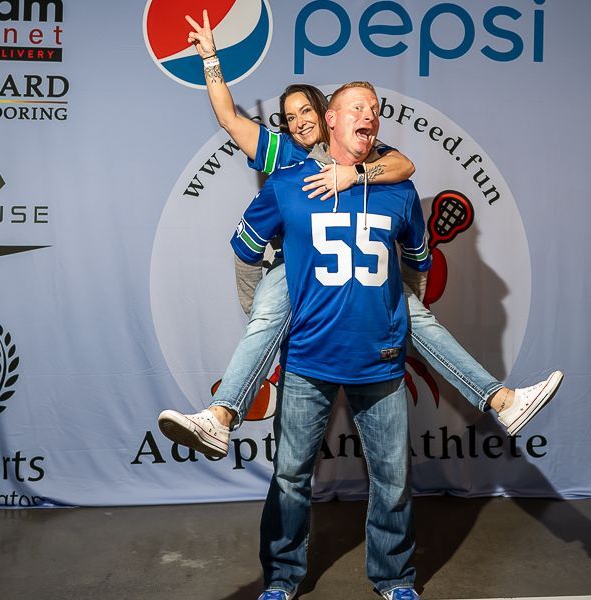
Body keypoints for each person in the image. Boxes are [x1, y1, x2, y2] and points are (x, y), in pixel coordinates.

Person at [157, 10, 563, 459]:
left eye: (305, 111)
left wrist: (353, 176)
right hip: (299, 265)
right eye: (289, 117)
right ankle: (220, 416)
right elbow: (230, 119)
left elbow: (405, 166)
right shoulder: (285, 154)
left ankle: (501, 401)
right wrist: (211, 59)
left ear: (325, 114)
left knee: (416, 318)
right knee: (267, 317)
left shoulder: (364, 149)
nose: (298, 122)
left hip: (358, 266)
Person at [238, 80, 426, 600]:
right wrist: (261, 317)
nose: (371, 115)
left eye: (377, 109)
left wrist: (398, 318)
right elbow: (245, 248)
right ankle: (280, 579)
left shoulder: (398, 188)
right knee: (290, 477)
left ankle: (394, 578)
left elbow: (418, 264)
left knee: (392, 479)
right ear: (332, 119)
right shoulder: (287, 183)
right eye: (359, 107)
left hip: (381, 363)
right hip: (306, 360)